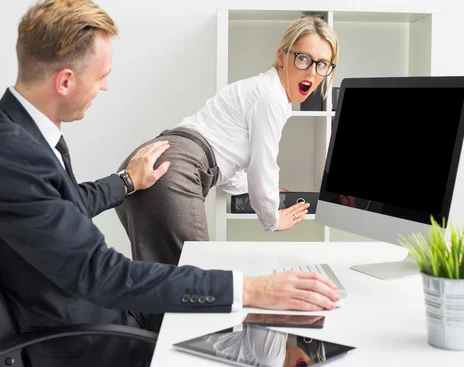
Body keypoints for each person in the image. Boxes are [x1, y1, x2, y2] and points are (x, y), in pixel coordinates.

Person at [0, 0, 341, 367]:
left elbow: (69, 205)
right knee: (253, 353)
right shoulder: (8, 154)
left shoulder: (19, 141)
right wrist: (250, 289)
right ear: (65, 81)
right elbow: (102, 274)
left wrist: (127, 181)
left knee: (257, 338)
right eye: (101, 77)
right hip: (95, 350)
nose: (105, 88)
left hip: (114, 322)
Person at [115, 16, 340, 266]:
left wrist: (257, 189)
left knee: (161, 283)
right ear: (281, 57)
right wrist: (272, 219)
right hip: (173, 170)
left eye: (323, 64)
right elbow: (263, 165)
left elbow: (226, 159)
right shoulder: (271, 97)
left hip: (150, 161)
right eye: (303, 58)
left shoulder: (260, 90)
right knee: (196, 281)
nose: (311, 71)